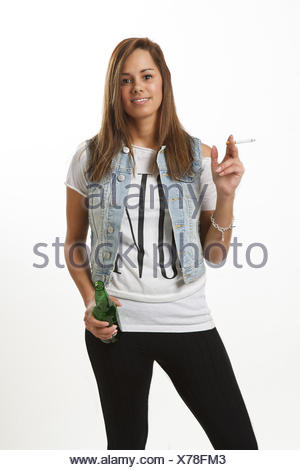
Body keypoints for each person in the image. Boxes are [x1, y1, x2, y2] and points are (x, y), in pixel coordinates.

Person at [64, 37, 258, 450]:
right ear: (114, 90)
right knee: (126, 450)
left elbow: (216, 254)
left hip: (187, 321)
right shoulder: (89, 157)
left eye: (146, 76)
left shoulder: (198, 156)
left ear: (163, 82)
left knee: (240, 447)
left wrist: (226, 194)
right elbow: (74, 245)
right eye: (126, 79)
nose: (138, 87)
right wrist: (89, 302)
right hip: (116, 329)